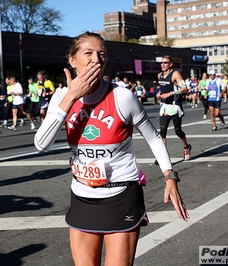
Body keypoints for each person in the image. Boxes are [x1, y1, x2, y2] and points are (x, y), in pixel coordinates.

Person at [34, 32, 189, 266]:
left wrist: (170, 177)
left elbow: (154, 137)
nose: (95, 59)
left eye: (101, 54)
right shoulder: (61, 97)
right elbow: (41, 143)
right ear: (72, 60)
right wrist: (71, 97)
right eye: (88, 53)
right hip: (82, 197)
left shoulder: (122, 96)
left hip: (120, 197)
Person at [155, 55, 192, 162]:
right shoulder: (159, 75)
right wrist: (159, 94)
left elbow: (185, 88)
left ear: (170, 64)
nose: (163, 65)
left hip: (175, 106)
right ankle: (162, 157)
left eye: (165, 63)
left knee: (178, 131)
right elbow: (162, 89)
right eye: (161, 63)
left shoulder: (175, 74)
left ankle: (186, 147)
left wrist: (170, 93)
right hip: (165, 107)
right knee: (162, 132)